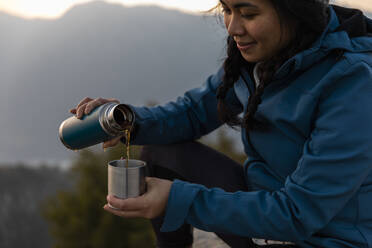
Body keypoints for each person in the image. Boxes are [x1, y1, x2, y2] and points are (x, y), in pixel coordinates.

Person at [70, 0, 372, 247]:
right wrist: (122, 120)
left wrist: (177, 200)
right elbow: (192, 113)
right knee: (162, 152)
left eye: (249, 13)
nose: (233, 27)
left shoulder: (352, 81)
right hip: (263, 218)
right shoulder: (263, 58)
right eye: (227, 10)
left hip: (320, 236)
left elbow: (299, 212)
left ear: (295, 10)